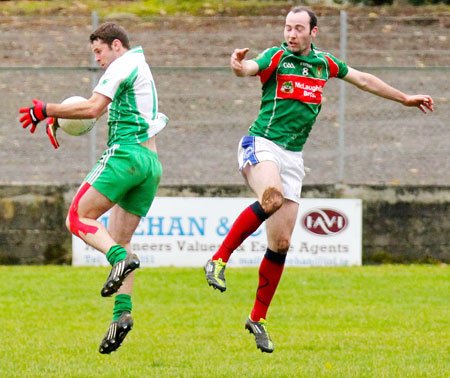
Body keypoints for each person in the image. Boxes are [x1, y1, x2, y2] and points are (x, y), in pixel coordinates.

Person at [204, 6, 434, 353]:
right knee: (272, 197)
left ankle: (257, 319)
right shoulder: (276, 57)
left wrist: (404, 98)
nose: (291, 34)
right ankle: (218, 259)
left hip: (293, 158)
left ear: (313, 33)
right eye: (287, 27)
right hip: (262, 144)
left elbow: (363, 79)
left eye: (298, 28)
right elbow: (249, 68)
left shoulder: (324, 64)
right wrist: (239, 66)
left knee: (280, 243)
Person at [19, 22, 168, 354]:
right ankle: (122, 313)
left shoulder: (123, 64)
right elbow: (97, 112)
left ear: (116, 45)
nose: (98, 59)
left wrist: (46, 110)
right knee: (121, 238)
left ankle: (118, 259)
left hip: (126, 154)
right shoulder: (140, 66)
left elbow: (92, 108)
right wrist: (59, 119)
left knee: (77, 217)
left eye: (99, 52)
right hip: (151, 164)